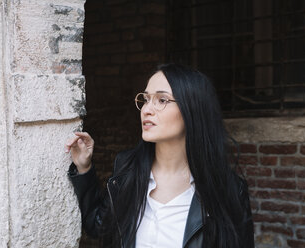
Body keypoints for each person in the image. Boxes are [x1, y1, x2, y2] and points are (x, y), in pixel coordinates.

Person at [65, 63, 254, 248]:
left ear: (192, 109)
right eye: (146, 99)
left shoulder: (228, 189)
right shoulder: (128, 167)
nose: (147, 109)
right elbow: (100, 226)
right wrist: (84, 168)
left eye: (162, 100)